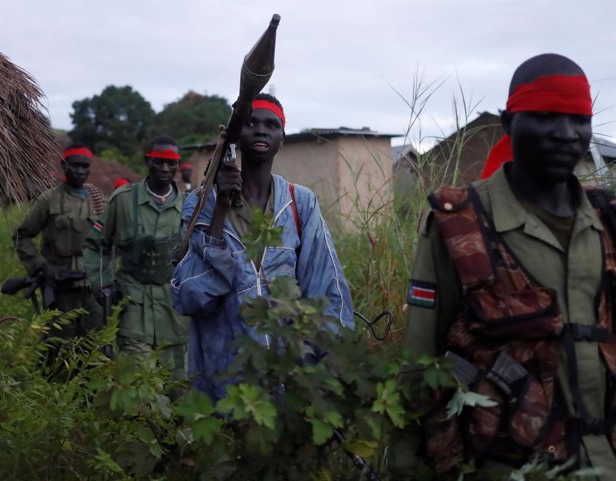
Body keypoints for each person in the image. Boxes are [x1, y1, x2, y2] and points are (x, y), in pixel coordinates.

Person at [389, 53, 616, 479]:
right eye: (547, 117)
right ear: (510, 122)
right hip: (508, 466)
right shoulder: (459, 223)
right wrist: (405, 464)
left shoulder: (607, 220)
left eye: (579, 120)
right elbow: (421, 360)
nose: (566, 135)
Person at [171, 93, 354, 400]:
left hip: (290, 376)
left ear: (282, 138)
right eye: (251, 123)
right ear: (235, 136)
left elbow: (327, 287)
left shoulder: (300, 203)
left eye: (271, 125)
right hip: (222, 382)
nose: (260, 130)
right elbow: (191, 297)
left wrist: (332, 359)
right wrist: (220, 209)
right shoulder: (202, 203)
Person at [83, 135, 189, 377]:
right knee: (139, 386)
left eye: (171, 163)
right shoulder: (124, 200)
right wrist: (103, 284)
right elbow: (97, 244)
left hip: (174, 313)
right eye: (159, 162)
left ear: (177, 165)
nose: (165, 168)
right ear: (147, 161)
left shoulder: (188, 206)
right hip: (133, 307)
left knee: (178, 388)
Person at [13, 142, 105, 339]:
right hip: (61, 283)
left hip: (92, 284)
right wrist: (42, 266)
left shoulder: (97, 199)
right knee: (60, 343)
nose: (81, 171)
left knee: (94, 340)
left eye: (85, 166)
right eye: (75, 165)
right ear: (64, 166)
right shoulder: (49, 199)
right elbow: (22, 236)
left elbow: (109, 240)